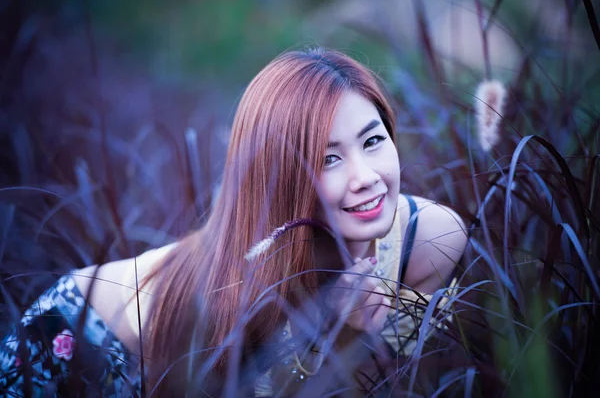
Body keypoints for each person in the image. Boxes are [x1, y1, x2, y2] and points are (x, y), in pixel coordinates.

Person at [1, 47, 467, 396]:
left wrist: (357, 334)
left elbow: (375, 385)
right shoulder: (234, 286)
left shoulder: (431, 239)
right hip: (85, 341)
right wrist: (331, 321)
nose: (365, 178)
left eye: (372, 141)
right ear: (280, 178)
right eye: (327, 159)